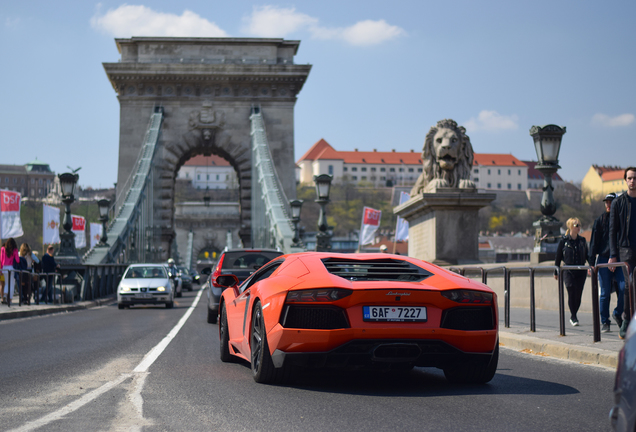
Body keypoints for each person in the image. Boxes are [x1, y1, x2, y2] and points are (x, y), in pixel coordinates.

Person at [590, 193, 625, 333]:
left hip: (619, 259)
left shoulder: (621, 219)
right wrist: (591, 263)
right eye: (607, 202)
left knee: (624, 288)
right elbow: (593, 243)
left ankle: (617, 312)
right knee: (604, 293)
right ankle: (605, 321)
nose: (609, 205)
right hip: (604, 259)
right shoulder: (599, 221)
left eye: (611, 202)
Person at [609, 167, 636, 338]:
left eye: (635, 178)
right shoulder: (618, 203)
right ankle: (626, 319)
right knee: (629, 284)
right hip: (626, 249)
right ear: (625, 180)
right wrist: (613, 255)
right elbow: (613, 231)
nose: (632, 181)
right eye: (630, 178)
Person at [554, 218, 591, 326]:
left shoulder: (582, 241)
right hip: (568, 271)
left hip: (580, 271)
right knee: (571, 290)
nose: (579, 227)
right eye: (576, 225)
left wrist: (591, 266)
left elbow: (587, 255)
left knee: (578, 295)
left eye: (579, 225)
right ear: (570, 227)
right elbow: (558, 257)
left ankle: (574, 314)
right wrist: (555, 271)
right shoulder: (564, 241)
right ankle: (573, 316)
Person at [1, 238, 20, 307]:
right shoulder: (14, 250)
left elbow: (1, 259)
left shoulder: (3, 249)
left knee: (6, 282)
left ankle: (5, 295)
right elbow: (17, 260)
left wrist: (0, 269)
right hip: (11, 267)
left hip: (4, 268)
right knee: (12, 283)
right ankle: (10, 299)